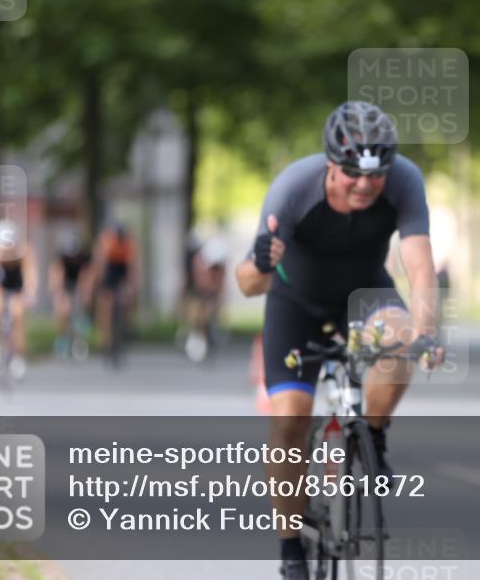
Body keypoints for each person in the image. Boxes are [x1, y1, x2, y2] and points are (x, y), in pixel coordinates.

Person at [235, 101, 445, 580]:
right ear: (331, 164)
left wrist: (427, 330)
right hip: (296, 306)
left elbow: (418, 264)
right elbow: (246, 283)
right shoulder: (293, 188)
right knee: (289, 420)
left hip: (364, 299)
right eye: (352, 174)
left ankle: (372, 433)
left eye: (376, 175)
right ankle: (290, 549)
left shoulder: (405, 181)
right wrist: (262, 264)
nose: (366, 185)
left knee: (403, 342)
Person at [0, 219, 38, 379]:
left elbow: (31, 275)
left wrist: (30, 293)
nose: (6, 251)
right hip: (0, 283)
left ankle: (18, 356)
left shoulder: (24, 250)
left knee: (17, 312)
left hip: (17, 282)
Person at [92, 220, 141, 355]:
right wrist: (100, 283)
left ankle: (128, 323)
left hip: (122, 268)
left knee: (129, 295)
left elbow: (133, 266)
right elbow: (100, 263)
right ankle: (105, 338)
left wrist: (133, 286)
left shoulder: (129, 243)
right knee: (105, 303)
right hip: (110, 268)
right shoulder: (106, 241)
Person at [180, 236, 227, 361]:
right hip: (195, 289)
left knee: (212, 311)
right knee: (197, 315)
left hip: (210, 291)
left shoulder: (220, 264)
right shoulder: (198, 261)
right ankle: (192, 336)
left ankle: (210, 333)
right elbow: (200, 282)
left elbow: (220, 282)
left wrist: (217, 297)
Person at [48, 231, 94, 358]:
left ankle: (81, 333)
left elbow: (88, 276)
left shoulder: (85, 257)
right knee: (62, 308)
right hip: (65, 281)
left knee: (84, 300)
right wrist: (58, 292)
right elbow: (56, 276)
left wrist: (86, 293)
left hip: (80, 280)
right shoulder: (60, 257)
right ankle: (62, 337)